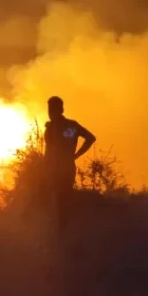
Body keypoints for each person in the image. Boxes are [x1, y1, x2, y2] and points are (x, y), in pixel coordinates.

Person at [43, 96, 96, 233]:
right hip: (64, 168)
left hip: (58, 171)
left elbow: (54, 149)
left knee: (59, 204)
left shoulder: (60, 128)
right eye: (49, 109)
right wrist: (75, 155)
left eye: (51, 109)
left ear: (59, 109)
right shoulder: (70, 127)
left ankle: (62, 235)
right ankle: (64, 232)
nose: (50, 112)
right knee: (62, 203)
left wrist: (76, 155)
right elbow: (80, 139)